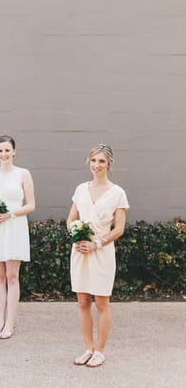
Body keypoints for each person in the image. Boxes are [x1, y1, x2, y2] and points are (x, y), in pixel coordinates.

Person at [67, 143, 129, 368]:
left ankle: (100, 351)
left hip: (102, 252)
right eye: (93, 160)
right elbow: (71, 219)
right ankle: (88, 348)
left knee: (101, 302)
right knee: (82, 301)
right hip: (80, 251)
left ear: (109, 164)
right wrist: (77, 237)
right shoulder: (81, 189)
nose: (96, 165)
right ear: (88, 162)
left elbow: (119, 228)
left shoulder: (117, 193)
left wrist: (97, 243)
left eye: (101, 161)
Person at [0, 135, 35, 339]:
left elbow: (31, 205)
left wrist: (10, 214)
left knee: (12, 277)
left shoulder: (23, 174)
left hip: (14, 226)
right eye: (0, 150)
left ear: (14, 151)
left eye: (7, 150)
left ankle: (10, 324)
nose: (4, 154)